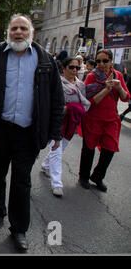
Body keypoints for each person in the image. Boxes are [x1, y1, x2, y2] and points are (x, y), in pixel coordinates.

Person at [0, 14, 64, 251]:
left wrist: (55, 132)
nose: (19, 32)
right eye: (14, 28)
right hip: (0, 129)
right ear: (8, 32)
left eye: (24, 28)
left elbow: (56, 98)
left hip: (29, 133)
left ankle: (19, 228)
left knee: (22, 181)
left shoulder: (45, 60)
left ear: (31, 33)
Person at [79, 49, 130, 192]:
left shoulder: (118, 75)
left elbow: (126, 97)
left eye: (105, 61)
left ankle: (97, 177)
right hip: (93, 119)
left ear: (111, 61)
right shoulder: (91, 77)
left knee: (110, 149)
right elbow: (89, 102)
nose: (101, 64)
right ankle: (83, 176)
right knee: (88, 149)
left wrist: (119, 87)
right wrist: (106, 89)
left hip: (111, 119)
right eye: (98, 61)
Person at [41, 57, 91, 197]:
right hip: (58, 121)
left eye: (77, 67)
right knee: (57, 151)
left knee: (60, 148)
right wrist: (65, 109)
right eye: (71, 67)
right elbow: (52, 103)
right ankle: (57, 183)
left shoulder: (80, 85)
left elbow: (83, 103)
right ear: (64, 68)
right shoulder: (57, 82)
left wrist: (75, 109)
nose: (74, 70)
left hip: (71, 122)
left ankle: (45, 165)